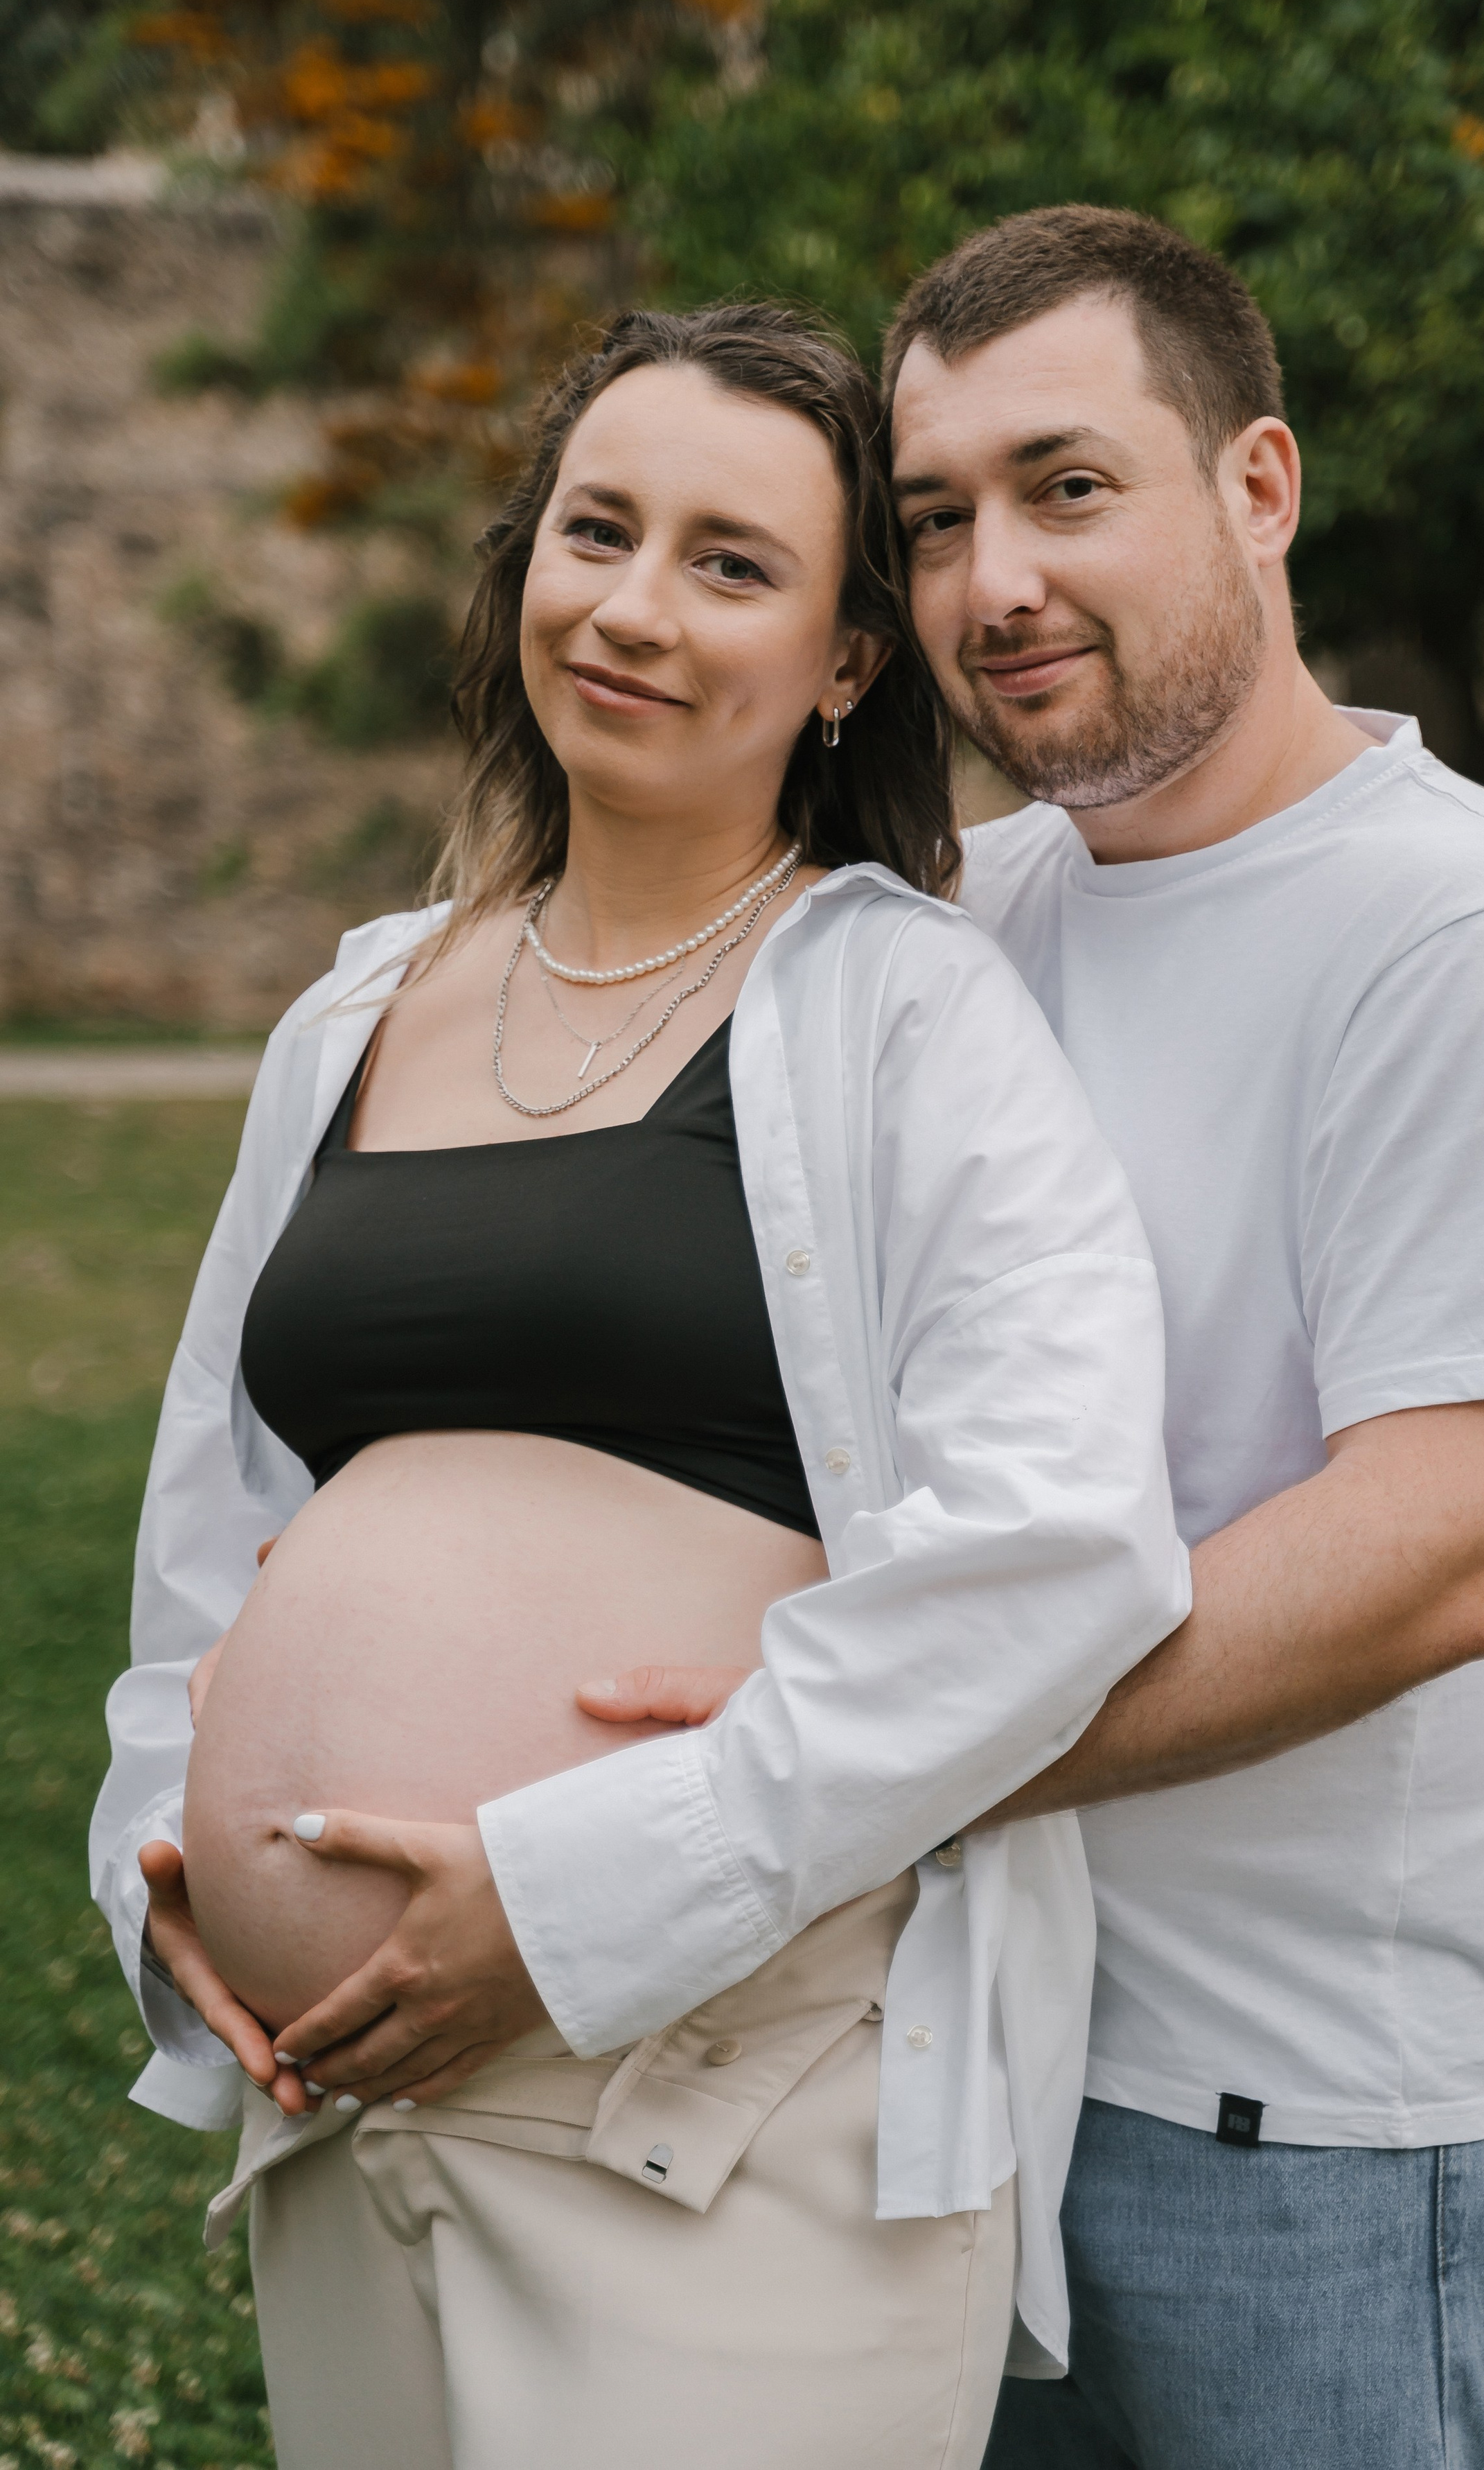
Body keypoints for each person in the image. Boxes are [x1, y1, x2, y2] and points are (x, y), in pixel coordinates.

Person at [599, 209, 1484, 2467]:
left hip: (1301, 2126)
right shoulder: (955, 920)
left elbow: (1444, 1549)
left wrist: (828, 1772)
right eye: (934, 518)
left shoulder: (1479, 937)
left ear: (1260, 488)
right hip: (953, 2049)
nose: (993, 580)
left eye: (1067, 487)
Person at [87, 301, 1189, 2470]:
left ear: (848, 659)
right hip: (346, 2102)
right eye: (600, 531)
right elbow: (204, 1532)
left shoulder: (903, 1014)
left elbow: (1056, 1557)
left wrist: (582, 1905)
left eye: (731, 563)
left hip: (730, 2105)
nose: (635, 610)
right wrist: (171, 1858)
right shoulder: (358, 1013)